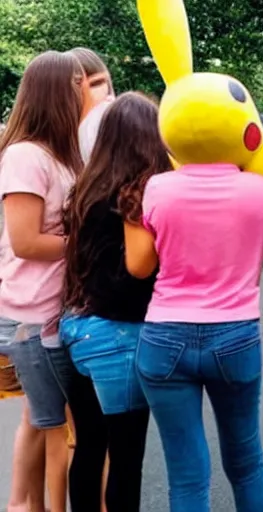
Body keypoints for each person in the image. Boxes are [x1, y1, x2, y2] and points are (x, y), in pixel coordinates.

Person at [124, 129, 263, 512]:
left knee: (187, 477)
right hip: (236, 335)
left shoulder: (158, 187)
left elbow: (141, 264)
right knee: (247, 463)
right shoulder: (261, 189)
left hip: (164, 337)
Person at [55, 92, 170, 511]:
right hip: (118, 337)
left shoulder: (85, 188)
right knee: (126, 460)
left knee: (89, 446)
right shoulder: (138, 194)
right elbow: (140, 269)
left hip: (76, 328)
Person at [0, 50, 85, 512]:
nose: (83, 95)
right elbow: (26, 241)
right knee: (60, 428)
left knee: (44, 420)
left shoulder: (61, 154)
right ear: (56, 93)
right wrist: (87, 241)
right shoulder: (26, 156)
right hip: (33, 317)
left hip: (57, 312)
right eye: (77, 85)